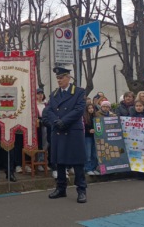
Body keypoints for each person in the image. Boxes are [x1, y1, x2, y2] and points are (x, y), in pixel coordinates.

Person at [47, 67, 87, 203]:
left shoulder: (79, 92)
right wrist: (56, 121)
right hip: (58, 130)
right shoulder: (54, 94)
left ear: (68, 78)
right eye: (57, 78)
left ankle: (81, 190)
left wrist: (64, 121)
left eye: (61, 78)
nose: (59, 80)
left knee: (77, 163)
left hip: (72, 130)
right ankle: (61, 188)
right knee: (60, 162)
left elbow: (79, 110)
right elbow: (48, 111)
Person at [83, 104, 99, 175]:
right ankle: (88, 168)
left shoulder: (96, 117)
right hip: (87, 137)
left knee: (94, 153)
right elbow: (84, 128)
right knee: (88, 154)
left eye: (92, 108)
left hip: (95, 137)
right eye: (89, 108)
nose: (91, 109)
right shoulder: (85, 118)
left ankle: (93, 168)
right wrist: (89, 130)